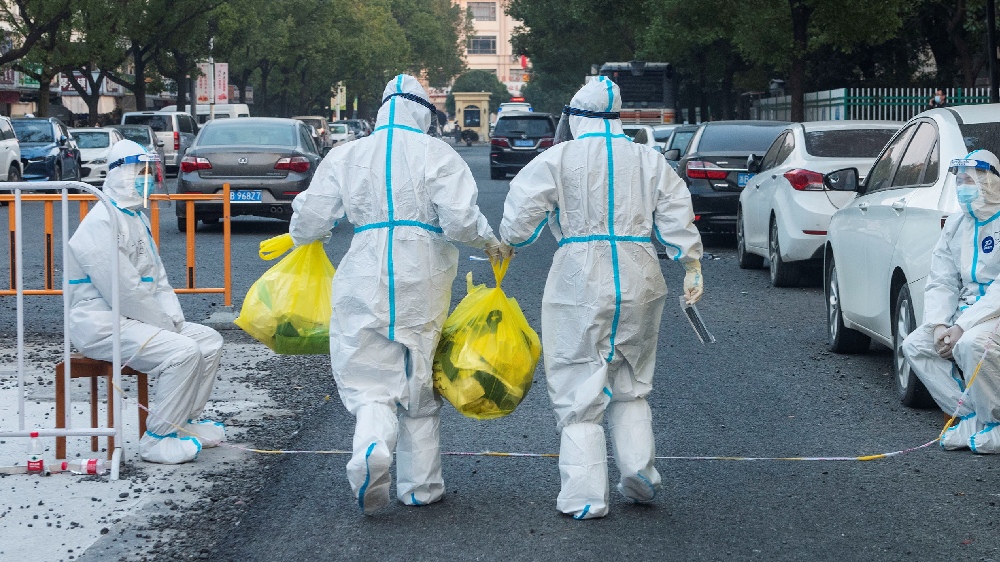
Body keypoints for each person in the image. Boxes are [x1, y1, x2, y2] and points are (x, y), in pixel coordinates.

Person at [288, 74, 508, 515]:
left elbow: (310, 219)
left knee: (368, 375)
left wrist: (302, 235)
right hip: (423, 271)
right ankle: (420, 486)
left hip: (364, 267)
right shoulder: (438, 153)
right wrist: (490, 241)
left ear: (384, 107)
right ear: (422, 112)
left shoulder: (346, 153)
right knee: (420, 377)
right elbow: (461, 220)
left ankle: (371, 445)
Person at [499, 77, 704, 519]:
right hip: (640, 270)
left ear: (575, 118)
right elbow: (677, 212)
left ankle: (585, 495)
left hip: (578, 275)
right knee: (632, 378)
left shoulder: (557, 159)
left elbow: (518, 220)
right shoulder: (649, 160)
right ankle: (640, 472)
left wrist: (509, 240)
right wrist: (690, 263)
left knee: (578, 383)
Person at [65, 139, 225, 464]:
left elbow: (157, 281)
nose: (146, 179)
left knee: (209, 340)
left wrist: (174, 320)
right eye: (139, 172)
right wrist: (168, 328)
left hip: (135, 320)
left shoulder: (136, 218)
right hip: (102, 325)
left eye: (148, 172)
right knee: (183, 352)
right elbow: (125, 293)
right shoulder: (100, 223)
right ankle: (157, 438)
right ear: (118, 173)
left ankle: (185, 422)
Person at [902, 150, 1000, 454]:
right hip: (964, 315)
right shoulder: (957, 225)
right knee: (916, 346)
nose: (962, 187)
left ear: (989, 182)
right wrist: (939, 325)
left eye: (969, 180)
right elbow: (942, 279)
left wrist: (960, 327)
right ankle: (970, 415)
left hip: (992, 314)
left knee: (973, 344)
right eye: (959, 181)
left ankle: (995, 424)